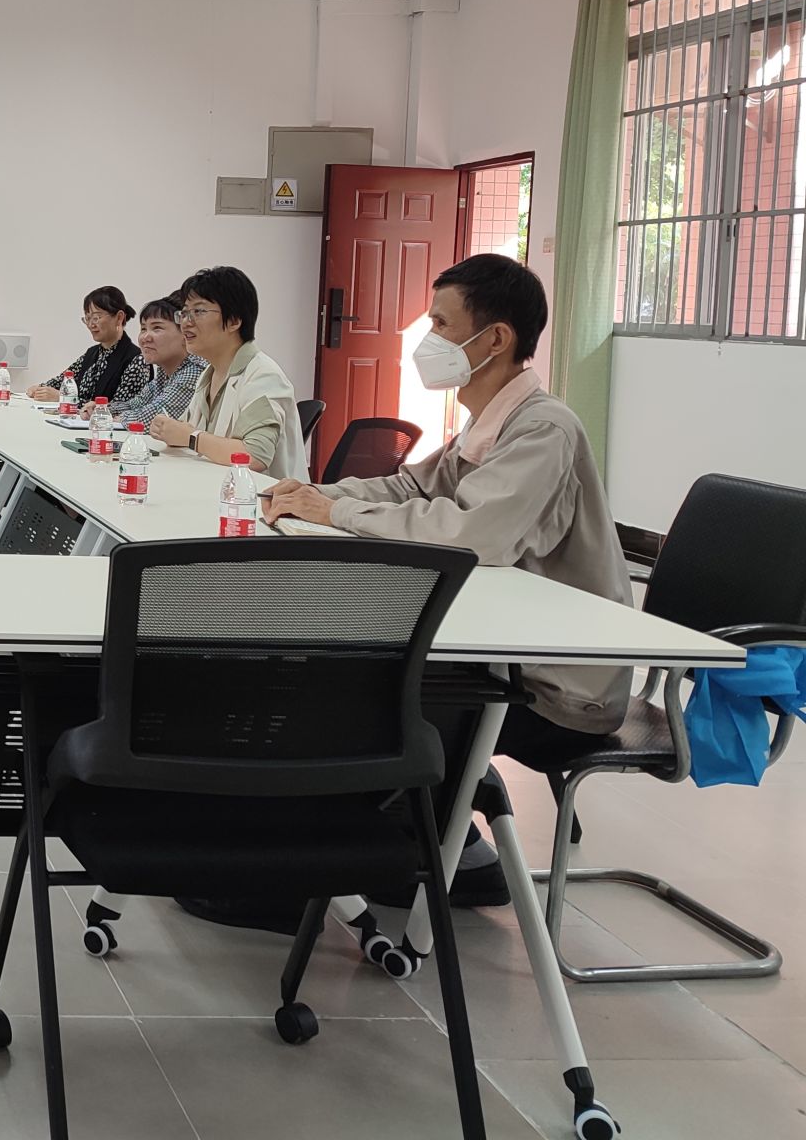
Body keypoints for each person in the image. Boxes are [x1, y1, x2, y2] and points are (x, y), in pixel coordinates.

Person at [264, 252, 633, 904]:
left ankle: (433, 856)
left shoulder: (543, 429)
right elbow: (410, 486)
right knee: (350, 671)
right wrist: (316, 495)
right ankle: (413, 846)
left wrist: (337, 513)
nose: (427, 338)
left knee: (360, 692)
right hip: (501, 649)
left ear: (495, 339)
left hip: (556, 685)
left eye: (440, 322)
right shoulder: (489, 422)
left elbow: (472, 536)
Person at [146, 266, 306, 481]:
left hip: (261, 498)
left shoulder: (264, 376)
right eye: (184, 313)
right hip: (215, 488)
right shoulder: (209, 374)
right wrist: (169, 431)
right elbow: (186, 433)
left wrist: (190, 437)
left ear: (234, 321)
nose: (186, 322)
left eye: (199, 311)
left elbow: (253, 456)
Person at [26, 287, 141, 404]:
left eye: (96, 318)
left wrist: (63, 398)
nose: (91, 324)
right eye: (87, 318)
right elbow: (64, 380)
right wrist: (40, 388)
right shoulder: (92, 353)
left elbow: (121, 408)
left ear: (119, 317)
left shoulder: (136, 359)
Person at [108, 295, 207, 428]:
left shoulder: (194, 371)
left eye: (157, 328)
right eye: (143, 329)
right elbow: (136, 403)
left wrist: (122, 418)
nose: (145, 337)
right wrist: (102, 409)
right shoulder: (164, 372)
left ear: (185, 334)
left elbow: (153, 418)